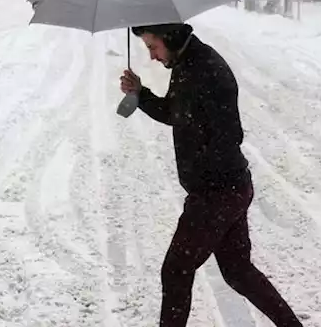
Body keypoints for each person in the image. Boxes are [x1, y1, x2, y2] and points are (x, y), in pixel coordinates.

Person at [119, 23, 302, 327]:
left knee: (176, 270)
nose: (151, 56)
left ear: (169, 37)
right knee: (237, 270)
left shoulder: (200, 69)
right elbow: (177, 113)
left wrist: (206, 180)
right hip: (230, 186)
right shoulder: (190, 61)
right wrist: (141, 94)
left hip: (216, 192)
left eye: (153, 47)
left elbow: (206, 124)